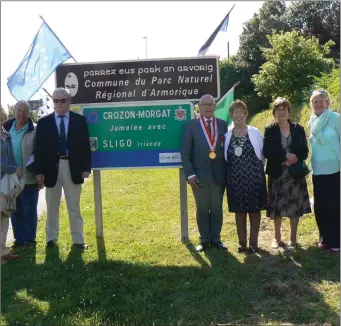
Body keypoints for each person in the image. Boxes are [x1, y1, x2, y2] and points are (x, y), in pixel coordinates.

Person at [35, 88, 91, 250]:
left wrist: (86, 167)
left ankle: (78, 241)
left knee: (74, 207)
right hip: (51, 169)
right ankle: (51, 240)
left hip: (72, 167)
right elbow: (38, 149)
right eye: (56, 101)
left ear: (69, 101)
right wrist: (39, 171)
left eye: (62, 100)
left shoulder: (79, 121)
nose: (59, 104)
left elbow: (85, 146)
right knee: (52, 207)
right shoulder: (44, 123)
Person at [181, 94, 228, 252]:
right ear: (199, 107)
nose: (208, 107)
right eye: (205, 104)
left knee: (216, 208)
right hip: (199, 177)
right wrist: (190, 174)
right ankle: (204, 239)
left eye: (211, 104)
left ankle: (216, 238)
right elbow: (185, 153)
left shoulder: (223, 124)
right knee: (202, 209)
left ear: (215, 106)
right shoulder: (191, 125)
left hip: (218, 175)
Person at [263, 97, 311, 251]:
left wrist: (294, 159)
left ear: (289, 112)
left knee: (295, 206)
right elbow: (267, 151)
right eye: (278, 109)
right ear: (274, 113)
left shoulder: (299, 129)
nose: (282, 112)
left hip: (295, 174)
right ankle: (277, 238)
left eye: (284, 109)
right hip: (277, 174)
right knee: (277, 206)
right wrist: (284, 157)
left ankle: (293, 239)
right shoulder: (270, 130)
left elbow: (304, 150)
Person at [224, 100, 267, 253]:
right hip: (235, 180)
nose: (239, 115)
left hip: (254, 179)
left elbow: (263, 154)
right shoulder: (227, 135)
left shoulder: (254, 132)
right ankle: (242, 244)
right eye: (235, 113)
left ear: (246, 114)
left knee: (255, 211)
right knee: (239, 212)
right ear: (231, 115)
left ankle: (254, 244)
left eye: (241, 112)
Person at [3, 101, 41, 249]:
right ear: (14, 111)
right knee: (14, 209)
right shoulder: (6, 128)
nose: (21, 114)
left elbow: (39, 154)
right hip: (10, 178)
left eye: (25, 112)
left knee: (29, 209)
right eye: (18, 110)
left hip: (28, 178)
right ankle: (18, 239)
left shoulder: (34, 130)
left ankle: (29, 240)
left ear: (29, 114)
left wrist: (39, 175)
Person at [309, 89, 340, 253]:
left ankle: (336, 241)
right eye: (315, 101)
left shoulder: (335, 118)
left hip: (335, 169)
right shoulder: (312, 120)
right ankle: (325, 238)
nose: (318, 104)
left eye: (321, 101)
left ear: (327, 103)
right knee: (320, 206)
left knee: (334, 205)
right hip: (318, 169)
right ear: (311, 104)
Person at [0, 104, 21, 264]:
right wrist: (14, 168)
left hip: (7, 183)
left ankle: (3, 251)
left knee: (5, 215)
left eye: (2, 115)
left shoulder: (5, 134)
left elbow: (12, 156)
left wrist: (16, 171)